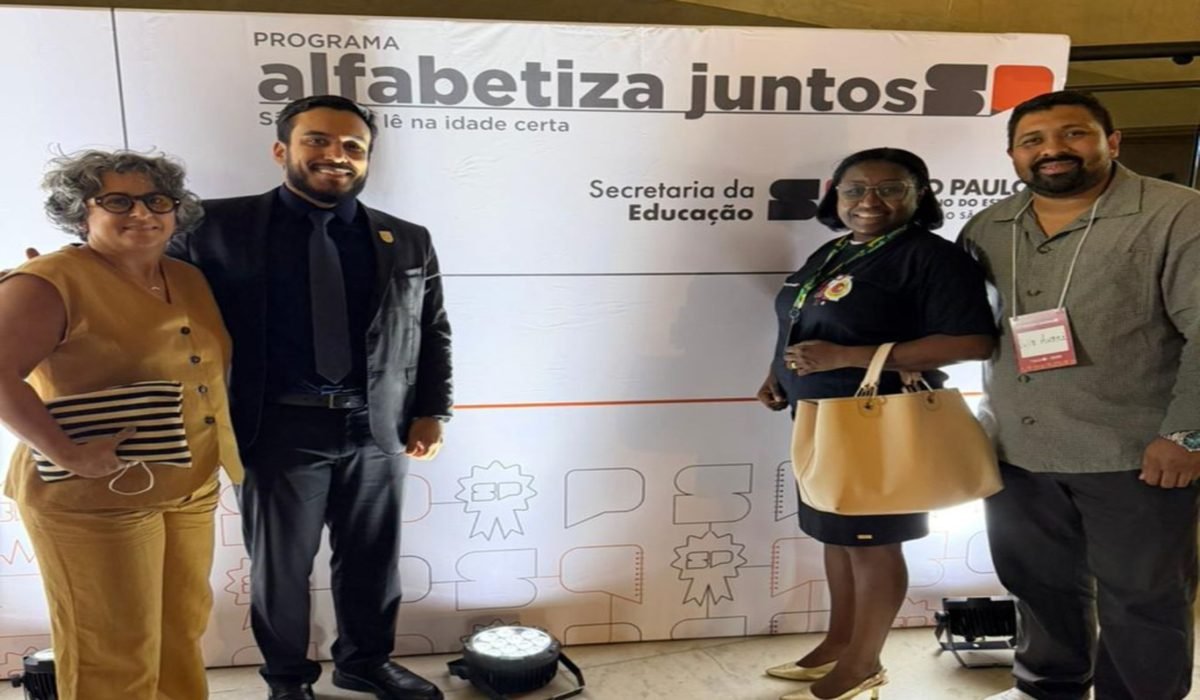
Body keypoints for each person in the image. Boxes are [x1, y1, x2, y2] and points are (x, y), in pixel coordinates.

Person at [167, 95, 452, 700]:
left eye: (352, 147)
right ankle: (287, 680)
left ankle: (365, 663)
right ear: (282, 150)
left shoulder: (406, 239)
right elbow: (148, 293)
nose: (336, 156)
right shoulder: (211, 227)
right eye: (317, 140)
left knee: (373, 560)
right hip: (275, 428)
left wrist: (432, 410)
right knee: (281, 569)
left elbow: (432, 330)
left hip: (377, 428)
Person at [962, 90, 1200, 700]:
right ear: (1013, 155)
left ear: (1111, 142)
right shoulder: (990, 226)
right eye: (1033, 141)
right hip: (1016, 449)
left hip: (1135, 454)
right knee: (1036, 584)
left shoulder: (1177, 214)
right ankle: (1048, 686)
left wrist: (1186, 435)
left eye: (1074, 134)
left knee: (1142, 597)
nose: (1052, 150)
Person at [0, 150, 244, 699]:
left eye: (157, 200)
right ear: (80, 211)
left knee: (180, 634)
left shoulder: (187, 277)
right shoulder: (48, 281)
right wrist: (68, 452)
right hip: (92, 496)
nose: (142, 213)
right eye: (117, 201)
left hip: (188, 486)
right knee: (112, 651)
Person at [759, 148, 996, 700]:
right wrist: (776, 372)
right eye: (855, 189)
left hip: (878, 423)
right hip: (818, 416)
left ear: (919, 195)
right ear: (835, 195)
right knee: (835, 535)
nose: (870, 201)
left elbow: (972, 341)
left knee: (871, 545)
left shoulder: (931, 257)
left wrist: (847, 357)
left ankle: (863, 663)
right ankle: (838, 642)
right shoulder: (837, 249)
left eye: (890, 188)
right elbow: (802, 319)